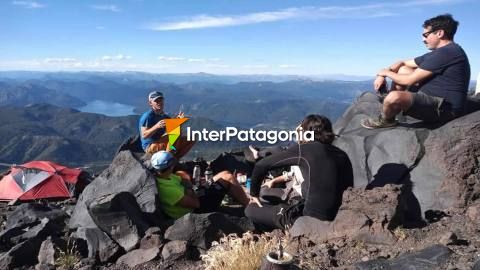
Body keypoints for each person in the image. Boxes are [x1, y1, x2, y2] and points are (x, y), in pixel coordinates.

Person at [244, 114, 354, 230]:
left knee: (251, 209)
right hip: (338, 218)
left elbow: (262, 165)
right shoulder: (342, 155)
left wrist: (254, 193)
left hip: (308, 223)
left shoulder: (305, 150)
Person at [362, 14, 471, 129]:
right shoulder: (440, 53)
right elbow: (402, 63)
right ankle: (392, 108)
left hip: (445, 109)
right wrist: (381, 74)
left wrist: (385, 73)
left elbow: (409, 81)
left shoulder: (448, 53)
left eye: (426, 35)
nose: (423, 39)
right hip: (431, 96)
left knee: (394, 97)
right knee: (403, 70)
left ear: (440, 33)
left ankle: (387, 120)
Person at [151, 151, 250, 219]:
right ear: (171, 165)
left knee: (224, 174)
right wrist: (191, 186)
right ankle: (249, 207)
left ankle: (242, 199)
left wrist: (195, 185)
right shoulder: (167, 189)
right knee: (228, 178)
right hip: (197, 210)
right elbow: (195, 204)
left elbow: (182, 175)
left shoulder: (166, 176)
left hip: (195, 194)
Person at [138, 90, 195, 158]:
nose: (160, 103)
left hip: (161, 142)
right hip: (150, 146)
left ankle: (175, 159)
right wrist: (156, 126)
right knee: (175, 133)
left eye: (161, 100)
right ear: (150, 103)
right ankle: (168, 159)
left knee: (191, 139)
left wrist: (179, 120)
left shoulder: (164, 116)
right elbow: (144, 135)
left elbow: (174, 129)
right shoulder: (148, 116)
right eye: (156, 101)